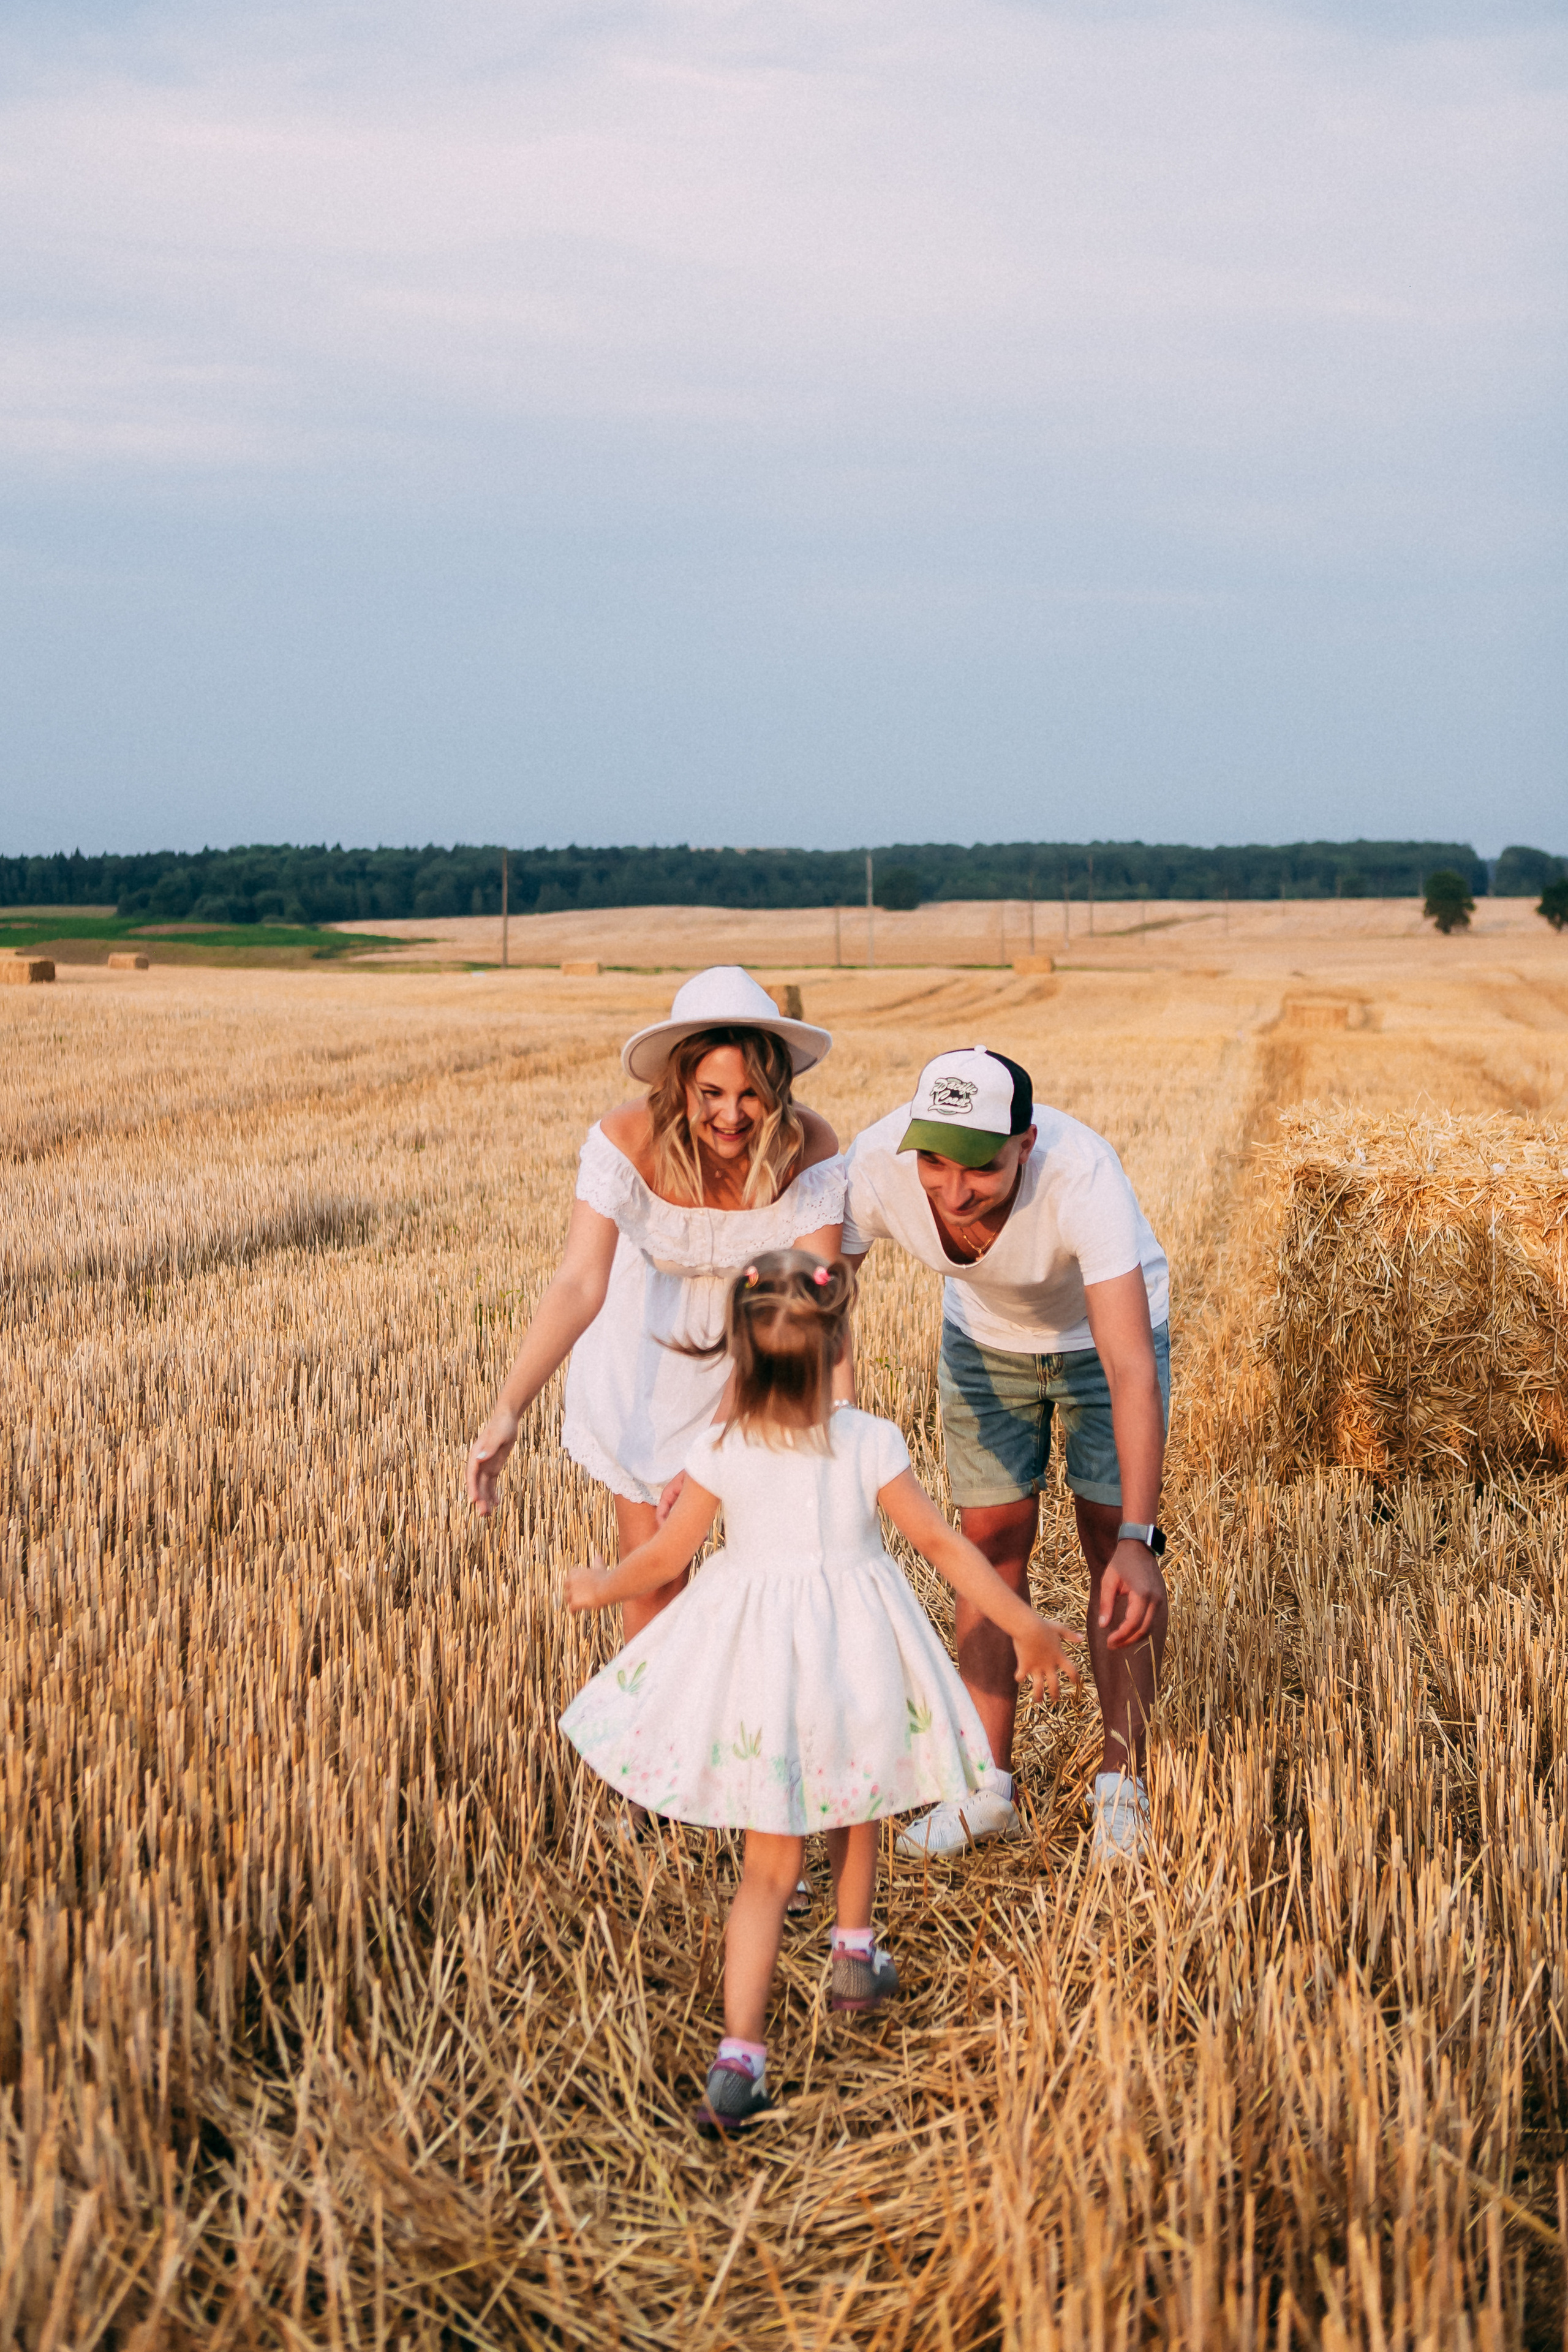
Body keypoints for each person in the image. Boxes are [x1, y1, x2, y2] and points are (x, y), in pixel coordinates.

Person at [559, 1251, 1081, 2136]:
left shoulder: (718, 1448)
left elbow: (666, 1561)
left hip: (765, 1673)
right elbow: (950, 1551)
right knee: (860, 1803)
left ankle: (740, 2060)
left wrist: (601, 1586)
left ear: (739, 1360)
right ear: (841, 1342)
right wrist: (1025, 1626)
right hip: (857, 1663)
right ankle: (852, 1956)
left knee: (768, 1872)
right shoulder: (870, 1441)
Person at [840, 1046, 1170, 1863]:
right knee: (988, 1544)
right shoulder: (878, 1165)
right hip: (984, 1343)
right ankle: (986, 1787)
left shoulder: (1080, 1173)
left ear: (1024, 1144)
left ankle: (1120, 1788)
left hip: (1103, 1342)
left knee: (1107, 1542)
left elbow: (1131, 1364)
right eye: (937, 1162)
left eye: (981, 1167)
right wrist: (840, 1419)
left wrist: (1142, 1537)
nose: (954, 1190)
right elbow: (822, 1297)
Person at [467, 963, 846, 1646]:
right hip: (646, 1359)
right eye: (710, 1093)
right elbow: (579, 1284)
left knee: (773, 1578)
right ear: (677, 1083)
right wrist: (507, 1409)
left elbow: (802, 1303)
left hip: (764, 1363)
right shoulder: (624, 1141)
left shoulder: (808, 1149)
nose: (731, 1115)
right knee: (656, 1578)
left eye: (752, 1095)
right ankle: (650, 1745)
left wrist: (715, 1441)